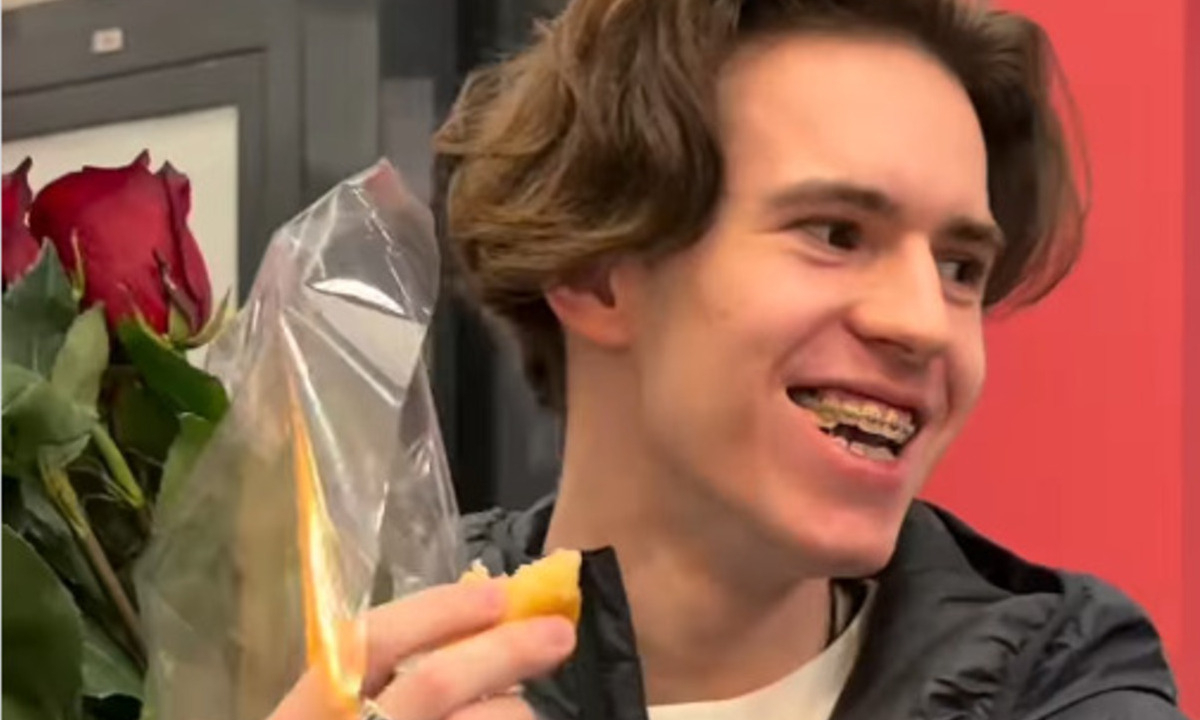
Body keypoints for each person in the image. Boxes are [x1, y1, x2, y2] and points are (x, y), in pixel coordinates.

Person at [272, 1, 1187, 719]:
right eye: (836, 234)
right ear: (596, 271)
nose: (927, 324)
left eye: (959, 269)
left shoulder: (1064, 682)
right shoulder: (344, 653)